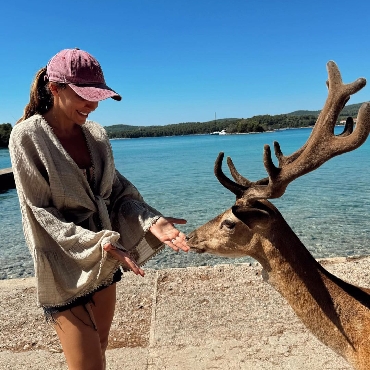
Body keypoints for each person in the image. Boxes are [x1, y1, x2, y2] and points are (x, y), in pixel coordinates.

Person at [9, 48, 189, 370]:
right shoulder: (27, 137)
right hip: (62, 265)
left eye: (97, 97)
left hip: (106, 258)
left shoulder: (96, 135)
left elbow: (117, 192)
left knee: (101, 348)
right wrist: (97, 241)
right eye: (84, 95)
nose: (92, 105)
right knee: (88, 364)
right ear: (55, 88)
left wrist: (152, 221)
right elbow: (39, 211)